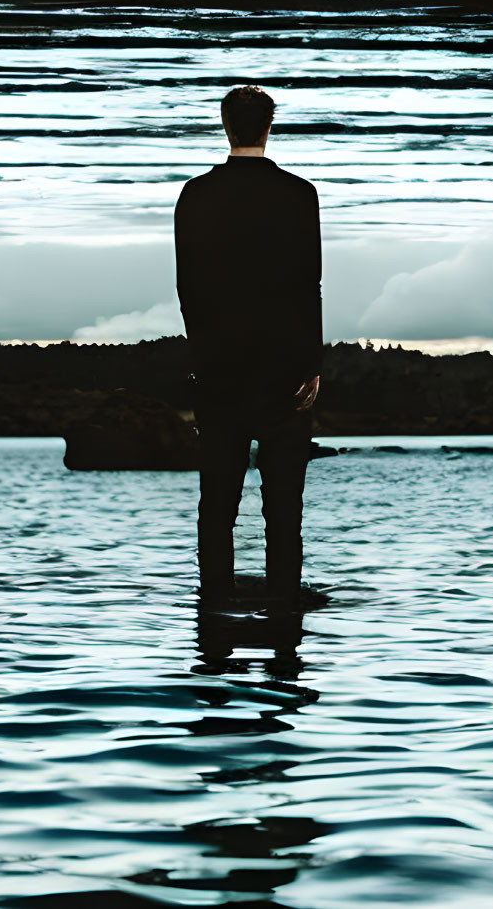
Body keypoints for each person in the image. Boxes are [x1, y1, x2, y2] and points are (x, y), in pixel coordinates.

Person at [174, 85, 322, 600]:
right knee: (284, 513)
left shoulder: (195, 194)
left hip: (218, 374)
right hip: (284, 375)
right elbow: (309, 284)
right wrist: (311, 365)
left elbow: (187, 287)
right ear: (270, 123)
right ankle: (284, 635)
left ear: (224, 123)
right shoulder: (300, 194)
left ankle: (213, 630)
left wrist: (201, 359)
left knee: (216, 508)